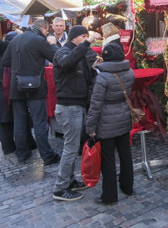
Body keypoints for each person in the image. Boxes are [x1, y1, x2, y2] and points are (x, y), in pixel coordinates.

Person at [52, 26, 101, 201]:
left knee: (72, 146)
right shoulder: (63, 51)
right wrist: (88, 43)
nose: (86, 38)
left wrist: (93, 67)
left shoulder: (76, 53)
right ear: (74, 38)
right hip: (68, 106)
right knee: (71, 148)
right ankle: (59, 188)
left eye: (87, 36)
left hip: (76, 105)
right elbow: (66, 62)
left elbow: (81, 75)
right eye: (83, 36)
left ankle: (69, 181)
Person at [2, 19, 60, 165]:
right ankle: (47, 155)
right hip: (35, 86)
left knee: (20, 122)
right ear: (43, 28)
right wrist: (52, 44)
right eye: (47, 30)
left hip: (16, 86)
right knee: (39, 122)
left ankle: (22, 153)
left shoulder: (16, 39)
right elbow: (56, 57)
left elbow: (6, 61)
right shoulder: (39, 40)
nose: (47, 33)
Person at [86, 43, 135, 205]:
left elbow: (95, 104)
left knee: (108, 160)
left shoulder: (102, 77)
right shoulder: (129, 72)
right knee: (125, 154)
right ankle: (128, 187)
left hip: (106, 122)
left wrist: (91, 127)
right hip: (123, 117)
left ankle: (109, 196)